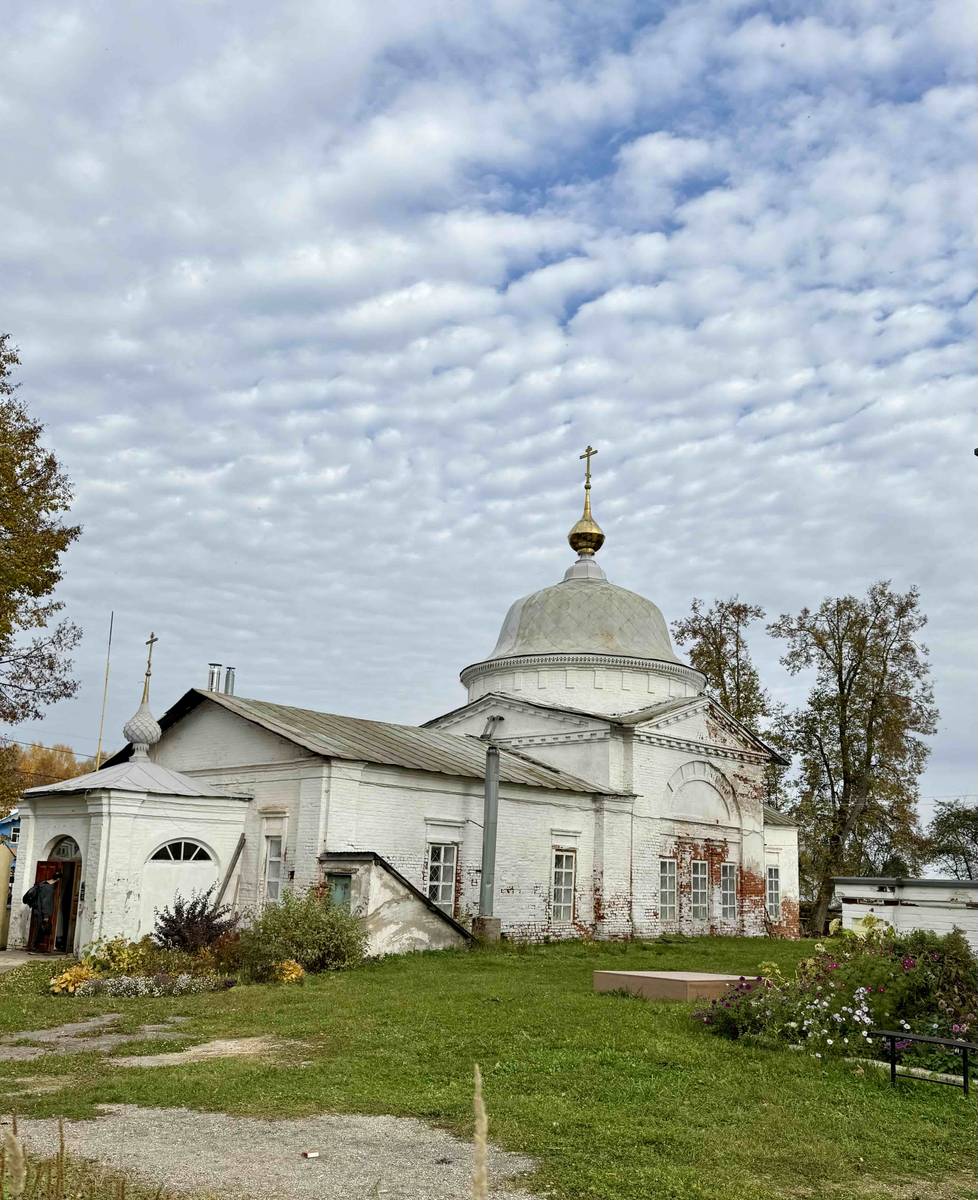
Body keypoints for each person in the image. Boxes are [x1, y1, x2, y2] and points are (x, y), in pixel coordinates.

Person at [23, 873, 60, 951]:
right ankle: (33, 946)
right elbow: (46, 902)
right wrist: (46, 915)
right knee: (39, 929)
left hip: (36, 909)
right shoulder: (49, 888)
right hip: (41, 911)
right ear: (58, 880)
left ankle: (33, 946)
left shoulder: (42, 883)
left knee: (36, 928)